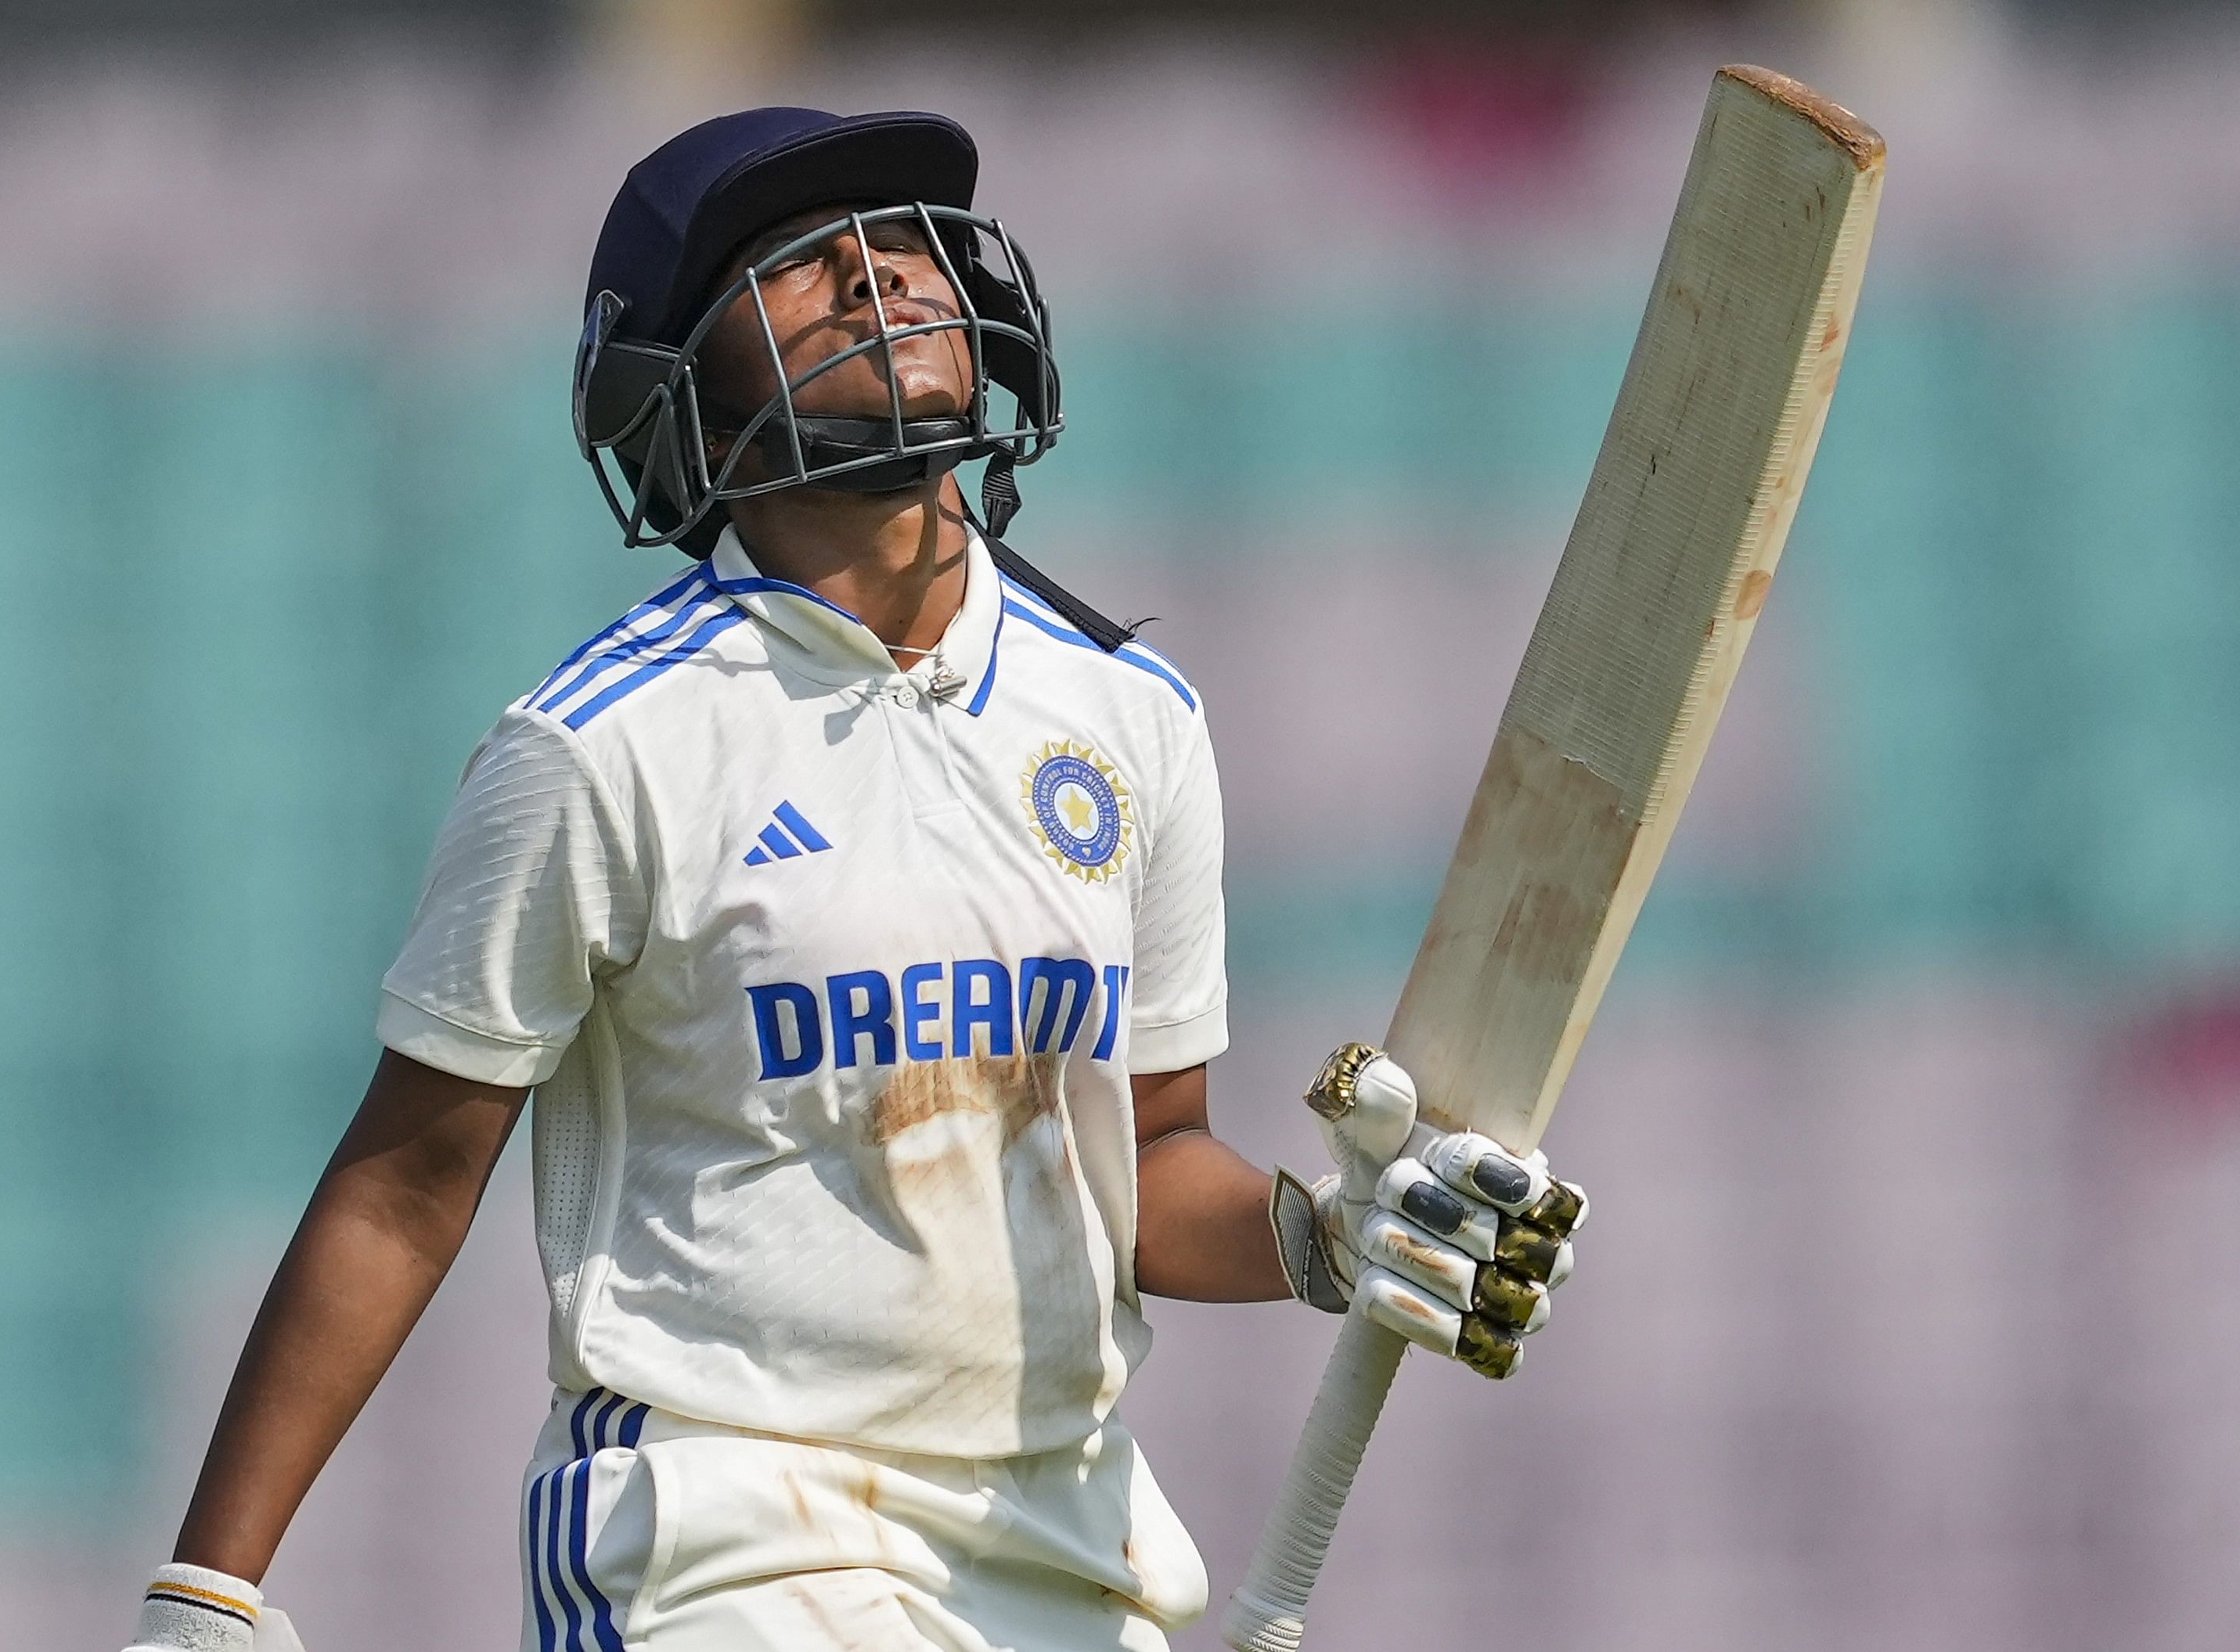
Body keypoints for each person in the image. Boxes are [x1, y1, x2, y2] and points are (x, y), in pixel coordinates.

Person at [120, 107, 1587, 1652]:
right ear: (679, 389)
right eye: (805, 267)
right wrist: (209, 1588)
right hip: (719, 1548)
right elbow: (405, 1189)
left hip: (1062, 1551)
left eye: (905, 246)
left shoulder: (1130, 718)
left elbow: (1146, 1163)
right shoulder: (602, 745)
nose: (881, 279)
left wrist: (1329, 1240)